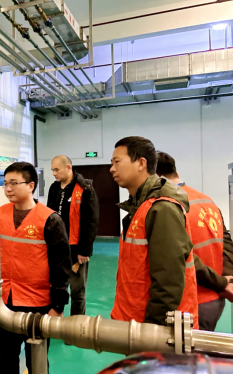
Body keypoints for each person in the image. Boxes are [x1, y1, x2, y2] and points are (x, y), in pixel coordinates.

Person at [0, 162, 71, 374]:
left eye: (14, 183)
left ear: (31, 185)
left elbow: (61, 267)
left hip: (37, 303)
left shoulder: (50, 220)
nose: (8, 189)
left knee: (36, 360)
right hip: (4, 301)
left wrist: (58, 306)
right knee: (7, 357)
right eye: (5, 184)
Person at [110, 136, 199, 327]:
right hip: (133, 321)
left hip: (151, 328)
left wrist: (151, 333)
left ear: (141, 163)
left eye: (117, 162)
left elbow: (168, 281)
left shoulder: (162, 208)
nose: (112, 168)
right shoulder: (139, 207)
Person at [156, 151, 233, 331]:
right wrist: (226, 283)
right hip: (215, 299)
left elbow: (182, 256)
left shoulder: (166, 206)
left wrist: (220, 283)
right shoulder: (207, 201)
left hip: (189, 302)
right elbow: (226, 243)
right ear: (176, 173)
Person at [47, 155, 99, 316]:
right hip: (56, 247)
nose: (54, 173)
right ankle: (55, 322)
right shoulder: (54, 188)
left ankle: (76, 325)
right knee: (55, 289)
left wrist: (84, 250)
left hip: (76, 249)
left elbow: (91, 221)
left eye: (57, 169)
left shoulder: (85, 188)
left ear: (68, 167)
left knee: (77, 293)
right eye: (52, 170)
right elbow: (48, 215)